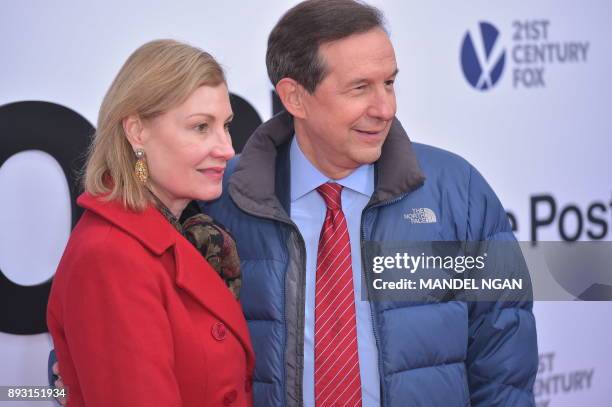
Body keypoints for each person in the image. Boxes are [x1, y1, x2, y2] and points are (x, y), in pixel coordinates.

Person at [202, 1, 538, 406]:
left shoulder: (458, 192)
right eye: (360, 88)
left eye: (390, 83)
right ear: (294, 98)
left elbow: (503, 359)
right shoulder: (222, 202)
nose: (385, 109)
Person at [47, 39, 254, 407]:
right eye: (201, 127)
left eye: (226, 126)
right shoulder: (111, 257)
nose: (226, 148)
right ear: (137, 132)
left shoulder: (195, 235)